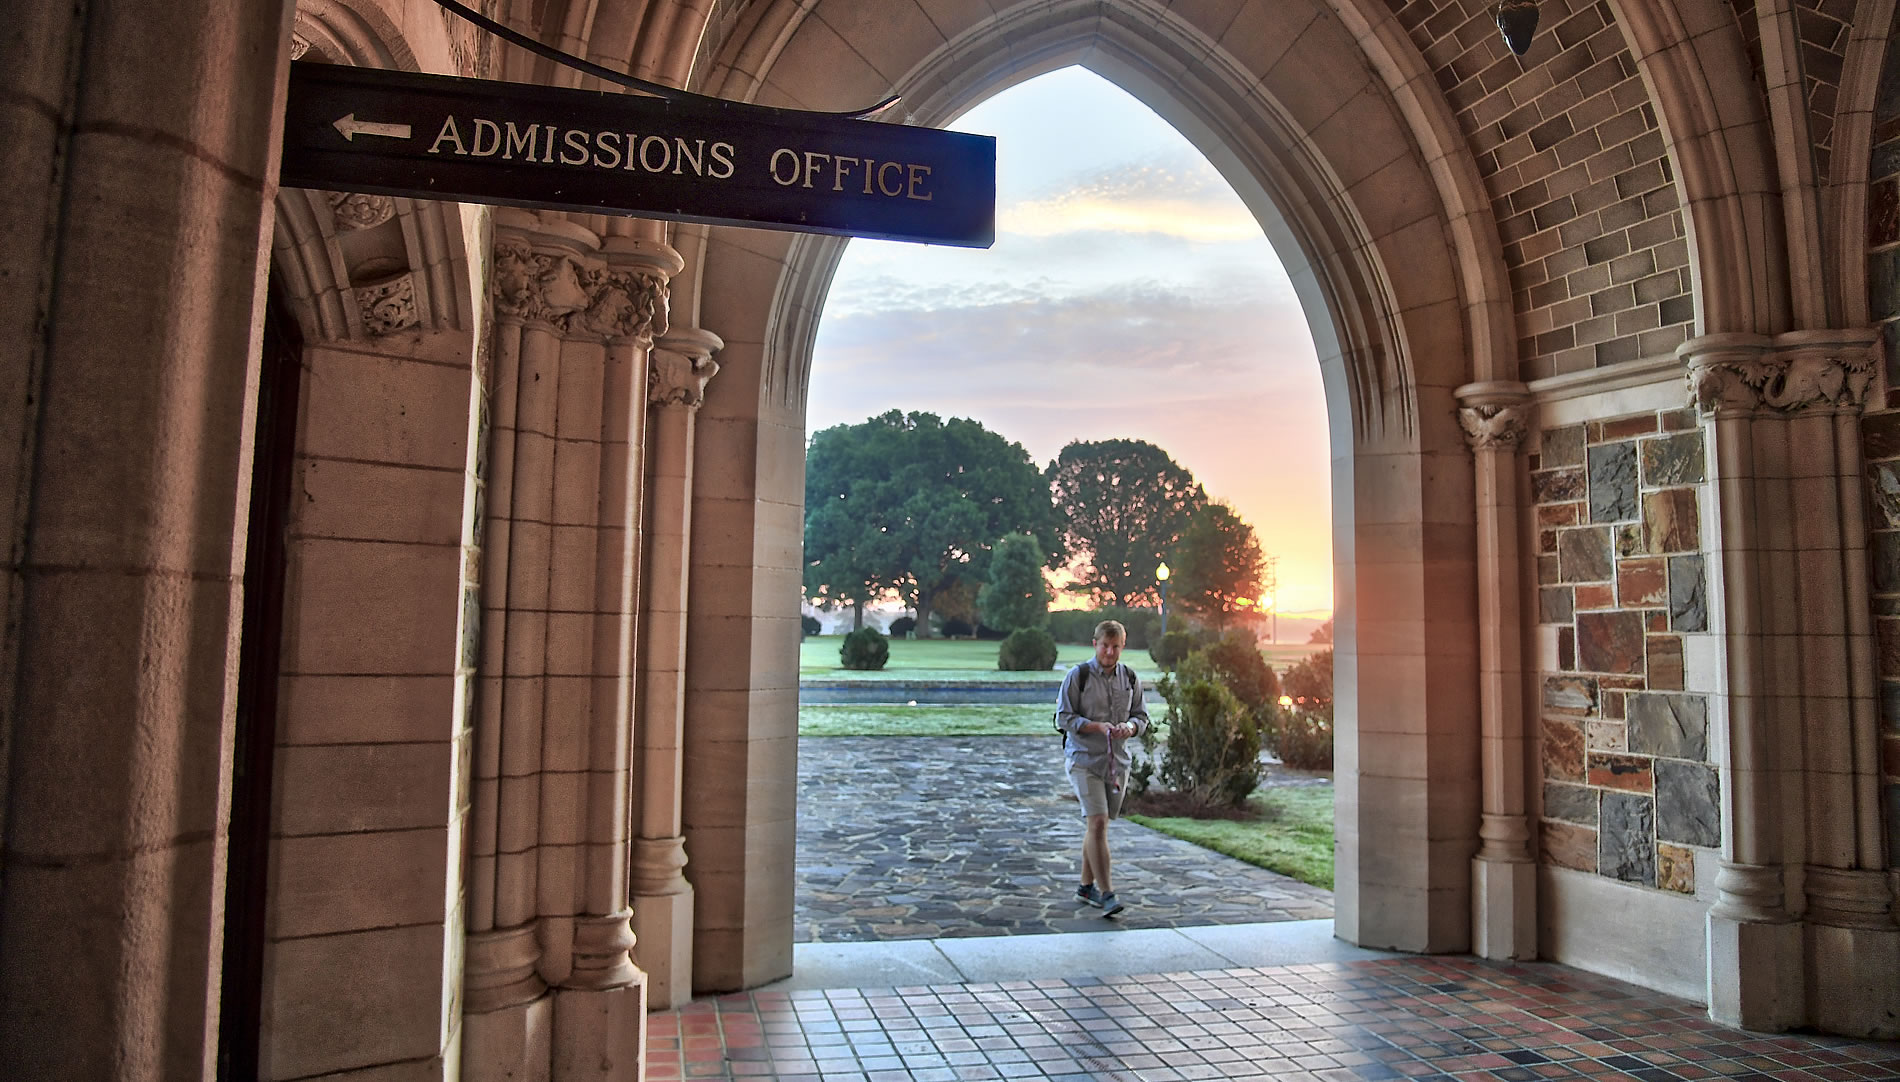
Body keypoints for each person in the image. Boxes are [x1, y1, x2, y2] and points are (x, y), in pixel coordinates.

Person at [1054, 619, 1150, 917]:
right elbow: (1063, 719)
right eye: (1104, 645)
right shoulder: (1078, 676)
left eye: (1115, 646)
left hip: (1116, 763)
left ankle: (1085, 887)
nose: (1109, 651)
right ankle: (1108, 894)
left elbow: (1142, 718)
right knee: (1097, 822)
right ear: (1094, 644)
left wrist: (1130, 728)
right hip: (1083, 759)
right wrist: (1095, 726)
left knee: (1099, 825)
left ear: (1123, 646)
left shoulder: (1130, 678)